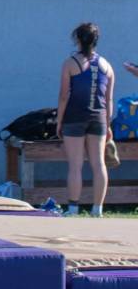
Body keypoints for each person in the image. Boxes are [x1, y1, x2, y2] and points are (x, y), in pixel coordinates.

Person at [56, 22, 115, 217]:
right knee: (99, 163)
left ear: (78, 40)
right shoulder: (107, 66)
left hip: (74, 117)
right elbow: (108, 100)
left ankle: (73, 208)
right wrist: (108, 125)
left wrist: (59, 121)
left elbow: (64, 95)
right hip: (98, 118)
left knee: (75, 165)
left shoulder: (70, 63)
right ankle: (97, 209)